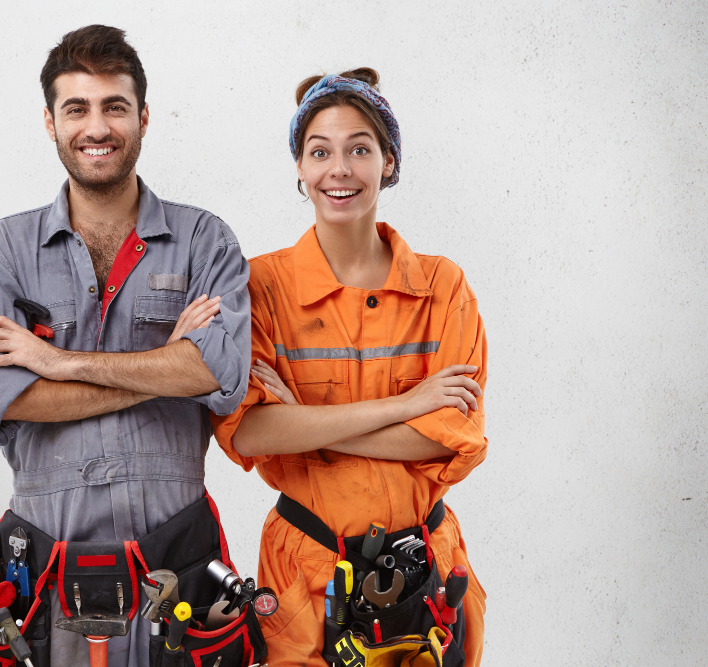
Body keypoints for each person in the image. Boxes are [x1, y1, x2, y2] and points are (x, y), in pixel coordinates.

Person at [0, 25, 252, 666]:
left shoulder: (206, 241)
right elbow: (4, 402)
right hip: (43, 560)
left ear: (143, 117)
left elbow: (218, 372)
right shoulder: (4, 252)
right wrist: (164, 366)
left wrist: (58, 362)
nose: (97, 127)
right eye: (77, 108)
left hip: (175, 554)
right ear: (50, 121)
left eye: (114, 107)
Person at [211, 68, 487, 666]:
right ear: (301, 168)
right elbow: (251, 430)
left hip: (427, 574)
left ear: (388, 161)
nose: (340, 169)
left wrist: (305, 420)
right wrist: (406, 405)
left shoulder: (443, 287)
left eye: (360, 149)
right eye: (320, 151)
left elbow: (449, 437)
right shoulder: (260, 288)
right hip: (306, 577)